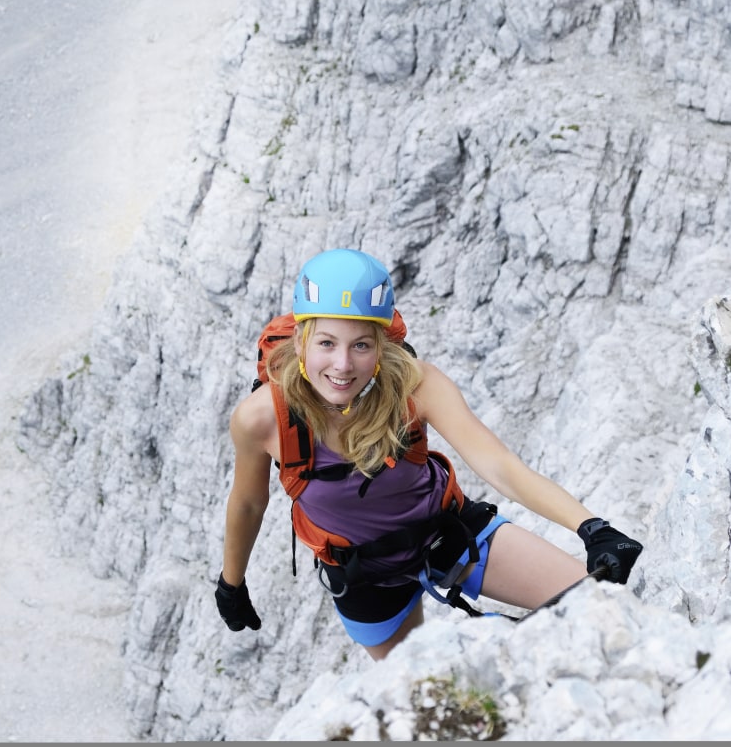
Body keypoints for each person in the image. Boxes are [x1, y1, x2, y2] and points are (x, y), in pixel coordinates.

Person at [215, 248, 643, 661]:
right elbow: (250, 502)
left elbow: (500, 465)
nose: (343, 364)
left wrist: (592, 528)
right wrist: (231, 584)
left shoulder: (416, 386)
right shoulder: (262, 418)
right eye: (327, 343)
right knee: (415, 700)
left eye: (361, 345)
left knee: (602, 608)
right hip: (364, 577)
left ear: (382, 346)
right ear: (302, 340)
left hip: (451, 534)